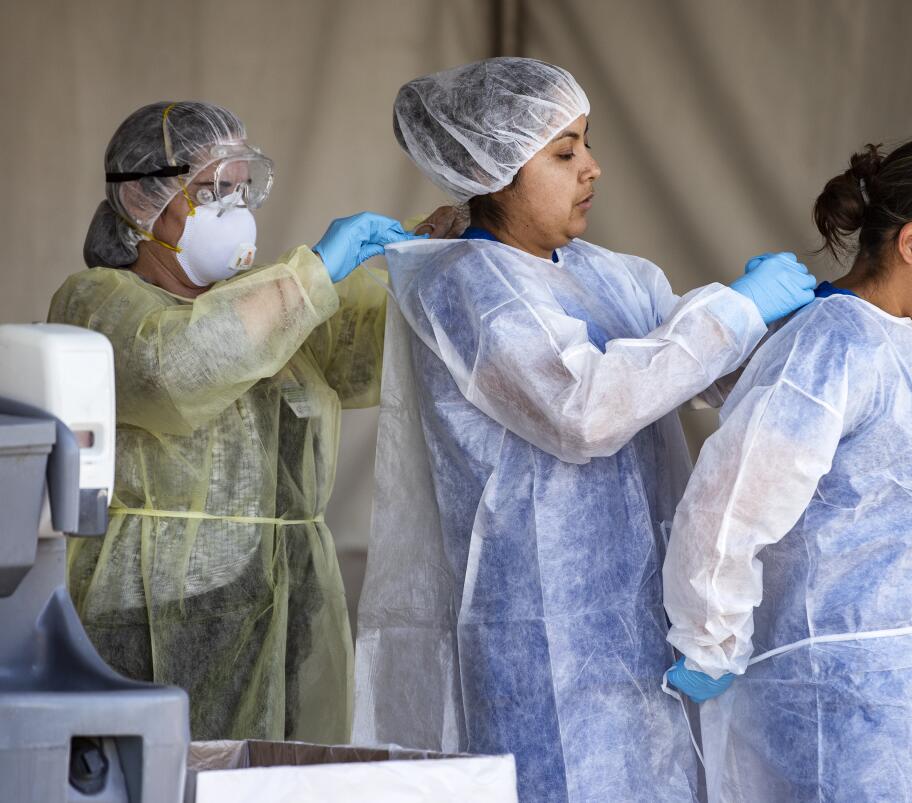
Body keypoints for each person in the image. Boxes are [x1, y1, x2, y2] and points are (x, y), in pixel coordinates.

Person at [354, 58, 817, 802]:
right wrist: (736, 310)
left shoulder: (611, 274)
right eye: (564, 152)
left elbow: (690, 365)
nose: (593, 168)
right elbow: (586, 409)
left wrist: (798, 324)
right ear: (490, 167)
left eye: (587, 143)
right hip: (538, 634)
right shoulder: (466, 286)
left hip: (639, 632)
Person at [47, 100, 449, 742]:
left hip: (287, 608)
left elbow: (385, 356)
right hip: (156, 618)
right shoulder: (98, 302)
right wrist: (311, 276)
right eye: (211, 190)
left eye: (242, 190)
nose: (235, 210)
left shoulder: (276, 301)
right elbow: (176, 368)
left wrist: (436, 264)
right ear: (141, 200)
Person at [662, 136, 912, 802]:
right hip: (838, 703)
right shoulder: (834, 342)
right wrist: (712, 635)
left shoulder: (891, 338)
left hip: (902, 699)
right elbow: (731, 500)